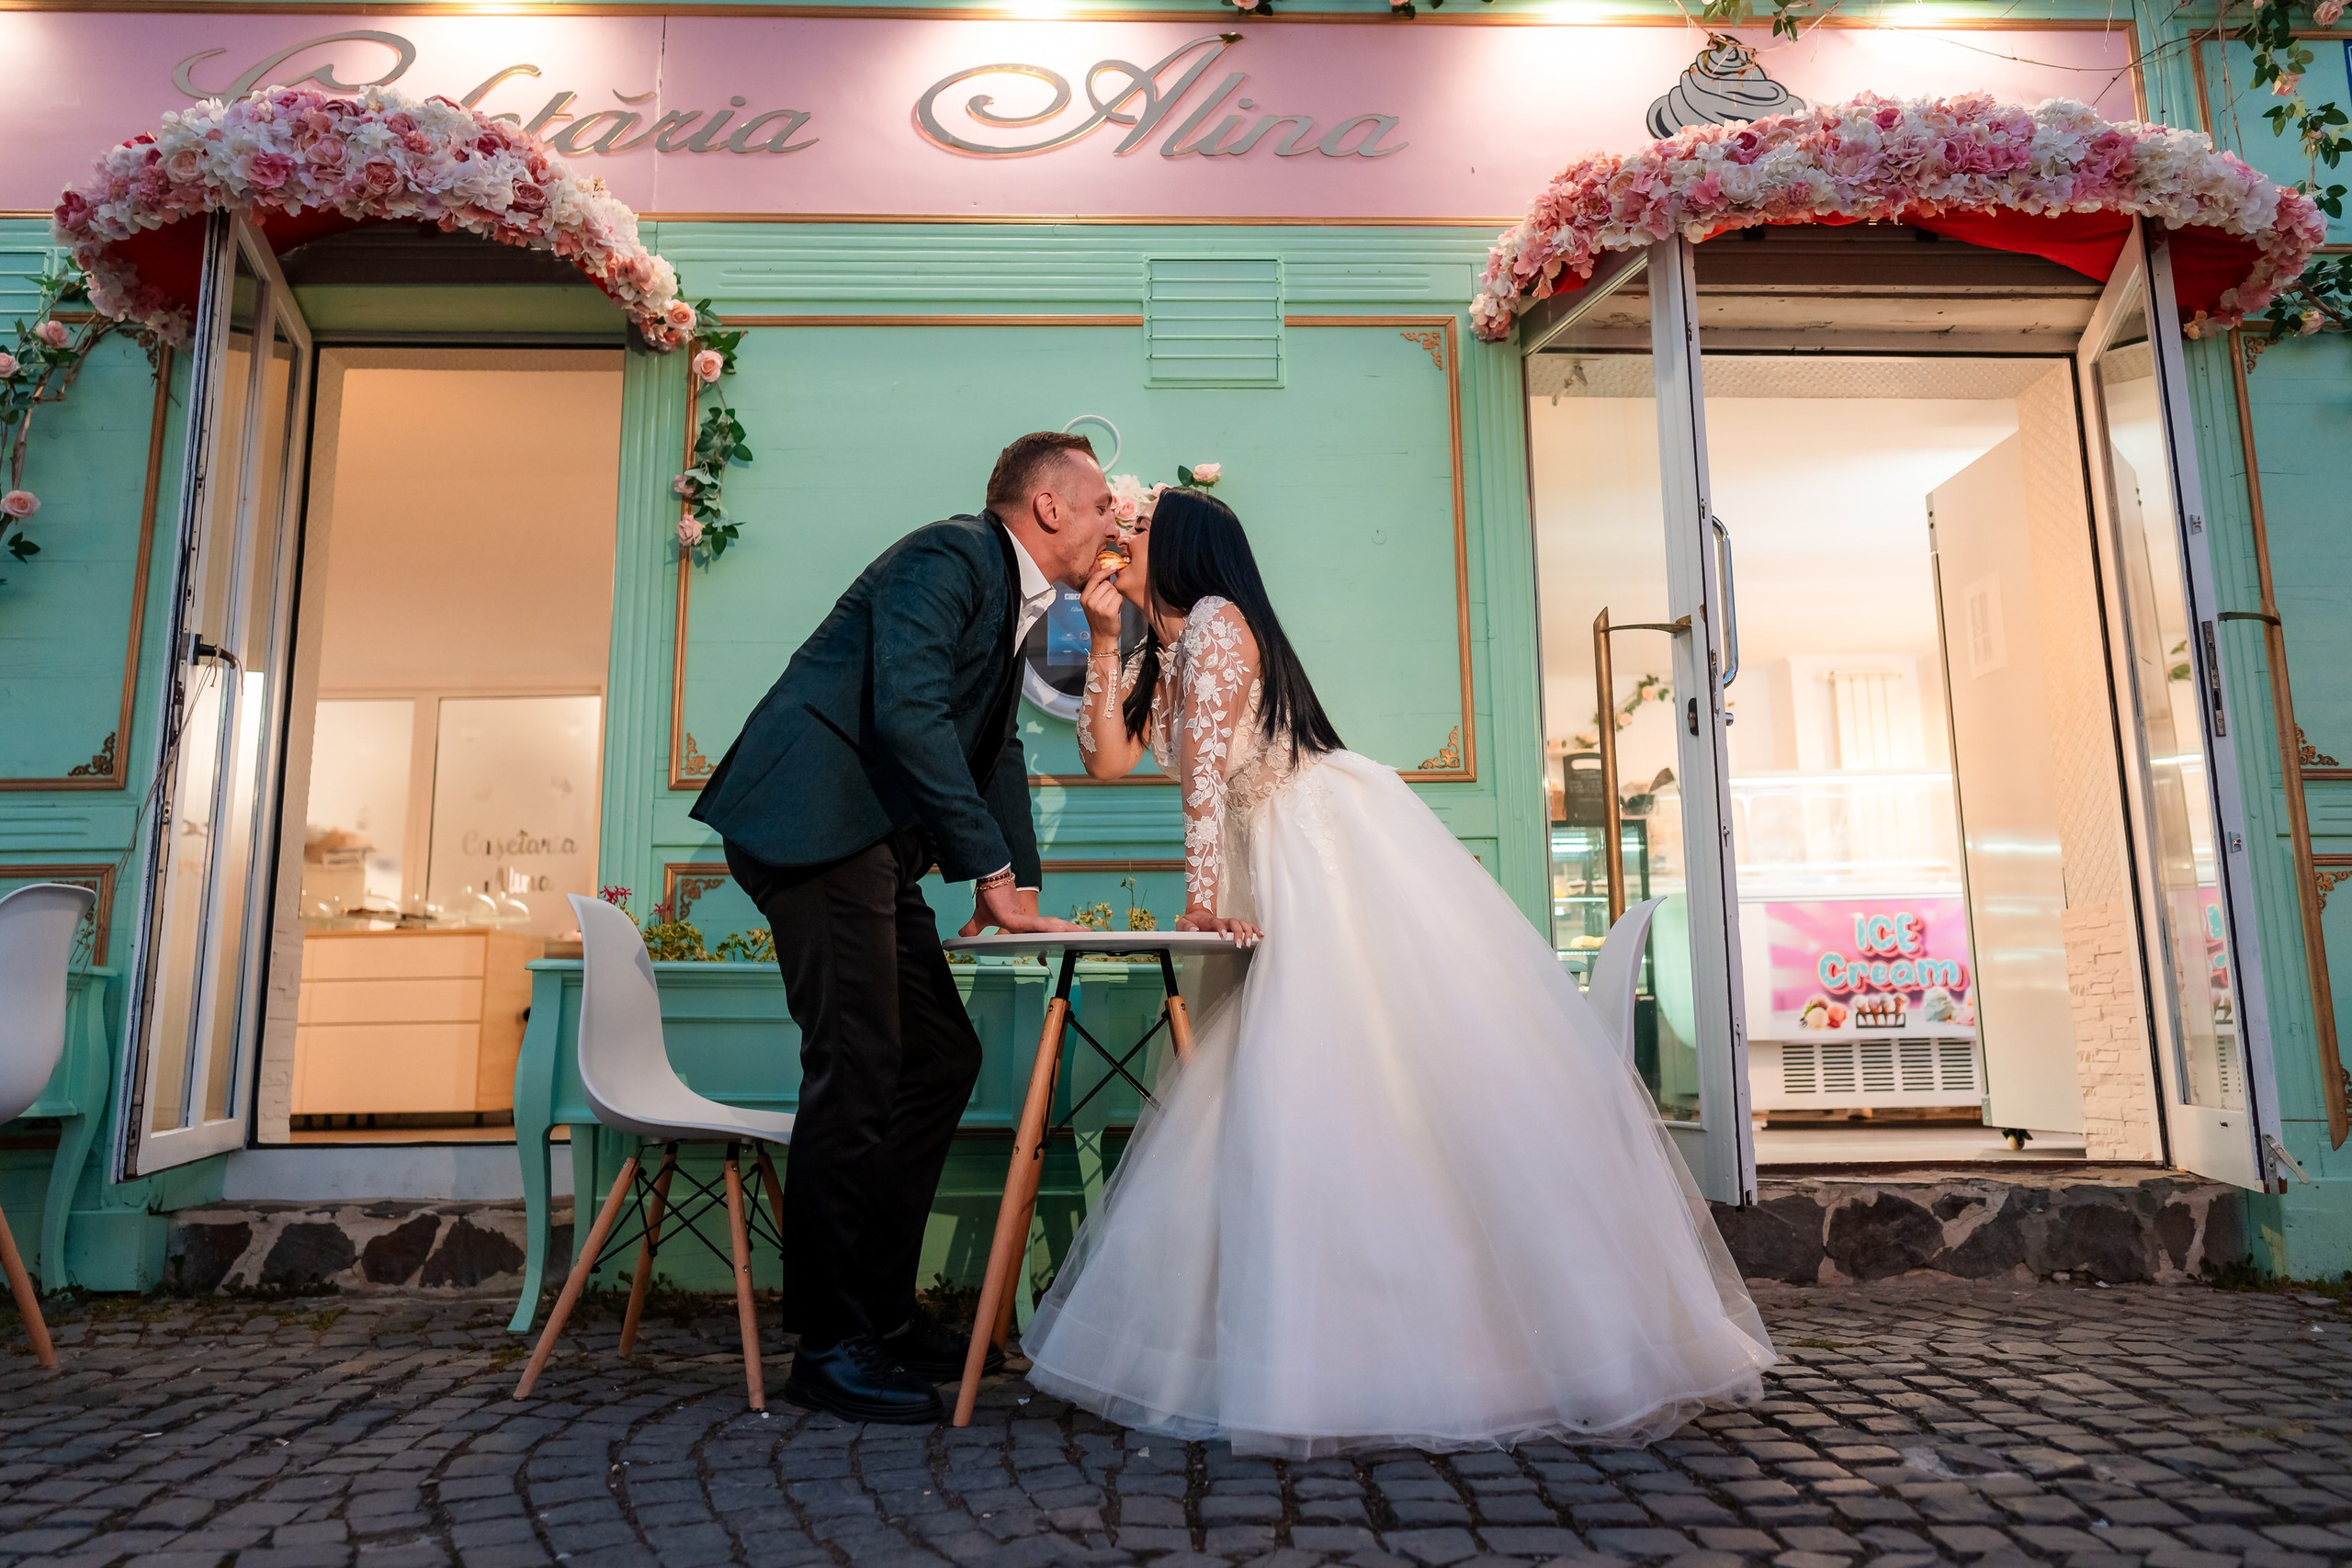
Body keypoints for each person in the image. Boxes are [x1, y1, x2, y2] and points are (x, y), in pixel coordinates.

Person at [1019, 487, 1777, 1456]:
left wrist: (1202, 899)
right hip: (1273, 843)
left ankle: (1413, 1338)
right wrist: (1104, 635)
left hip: (1307, 842)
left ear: (1183, 548)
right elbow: (1110, 763)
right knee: (1291, 1077)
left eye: (1137, 529)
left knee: (1340, 1064)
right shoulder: (1175, 641)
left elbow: (1206, 779)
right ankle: (1325, 1334)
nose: (1121, 539)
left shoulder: (1217, 621)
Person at [690, 432, 1106, 1424]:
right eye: (1099, 506)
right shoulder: (949, 556)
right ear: (1047, 508)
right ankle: (829, 1347)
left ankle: (878, 1311)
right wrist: (989, 869)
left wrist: (1009, 889)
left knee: (936, 1057)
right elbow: (907, 712)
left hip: (866, 839)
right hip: (812, 825)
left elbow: (992, 747)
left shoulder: (1012, 596)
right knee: (862, 1063)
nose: (1111, 522)